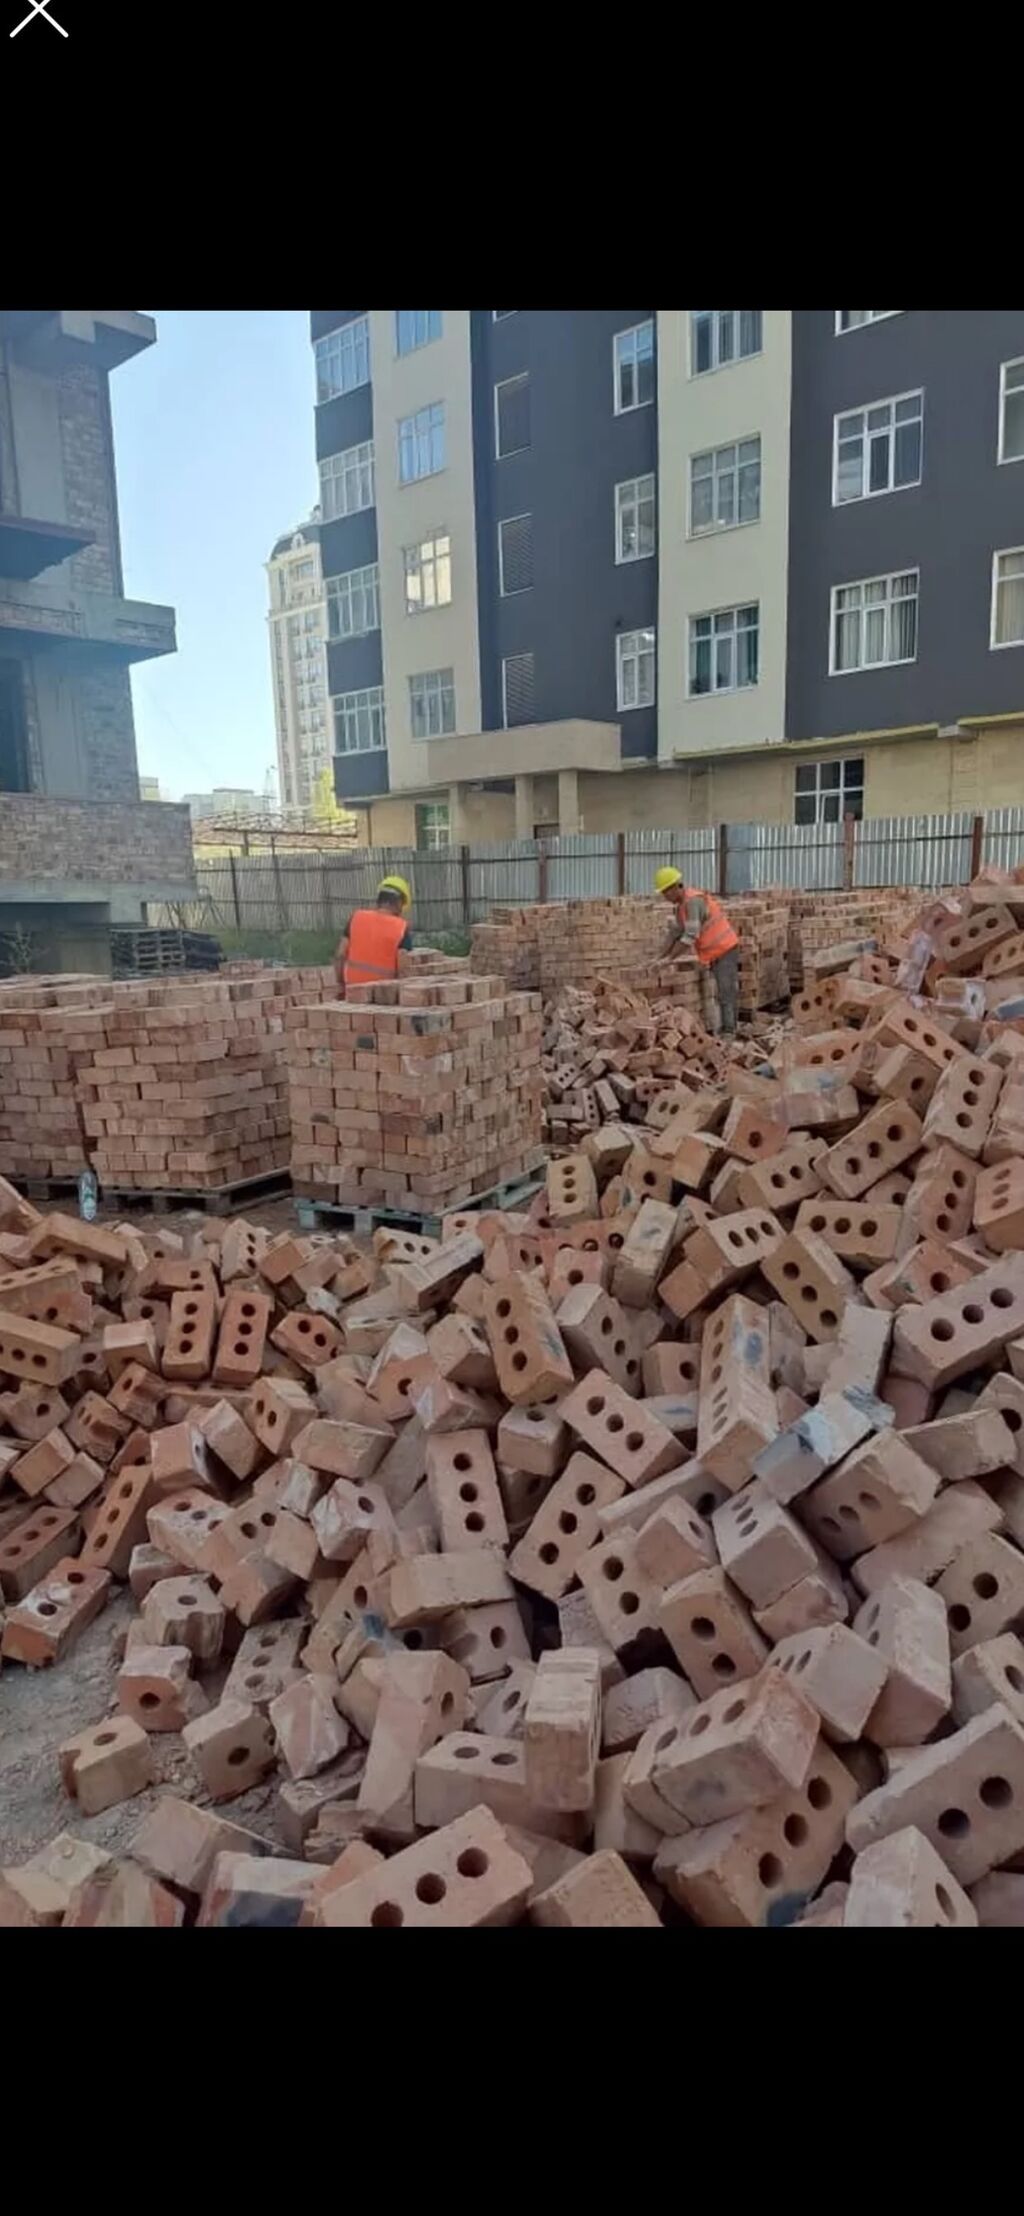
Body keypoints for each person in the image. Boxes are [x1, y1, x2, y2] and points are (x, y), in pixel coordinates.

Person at [654, 866, 740, 1036]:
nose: (664, 897)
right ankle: (721, 1027)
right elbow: (675, 933)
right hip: (713, 952)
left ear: (675, 887)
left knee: (725, 990)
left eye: (665, 892)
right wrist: (658, 957)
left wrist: (670, 959)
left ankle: (729, 1031)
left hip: (725, 948)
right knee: (718, 992)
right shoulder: (681, 906)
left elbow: (690, 936)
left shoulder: (693, 902)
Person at [335, 876, 413, 997]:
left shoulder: (357, 917)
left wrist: (341, 984)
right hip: (384, 995)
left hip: (353, 990)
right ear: (399, 903)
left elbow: (340, 954)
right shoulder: (401, 927)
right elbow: (403, 968)